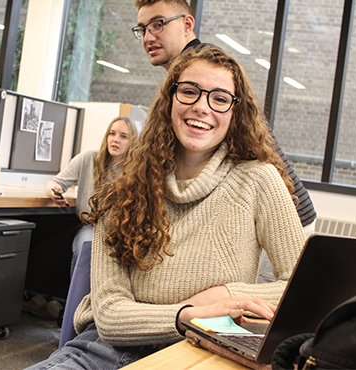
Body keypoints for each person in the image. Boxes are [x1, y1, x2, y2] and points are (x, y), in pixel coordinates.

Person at [26, 44, 305, 370]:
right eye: (189, 92)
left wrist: (226, 295)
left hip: (203, 349)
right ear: (170, 101)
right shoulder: (123, 188)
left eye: (219, 98)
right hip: (107, 349)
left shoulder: (258, 180)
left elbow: (304, 288)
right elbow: (109, 315)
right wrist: (187, 313)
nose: (202, 106)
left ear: (235, 111)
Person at [133, 0, 317, 235]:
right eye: (142, 29)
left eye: (158, 24)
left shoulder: (207, 68)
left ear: (187, 24)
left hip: (285, 218)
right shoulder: (190, 70)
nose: (148, 37)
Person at [44, 116, 138, 275]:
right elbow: (54, 183)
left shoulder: (136, 170)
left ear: (132, 142)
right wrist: (54, 190)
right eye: (112, 134)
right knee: (86, 247)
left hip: (120, 231)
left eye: (123, 136)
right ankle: (77, 300)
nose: (116, 140)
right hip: (91, 227)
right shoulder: (89, 158)